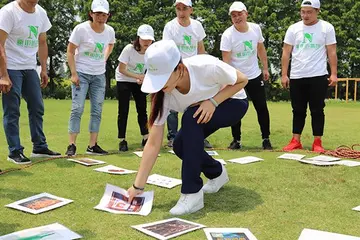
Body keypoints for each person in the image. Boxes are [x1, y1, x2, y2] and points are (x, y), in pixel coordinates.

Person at [127, 40, 249, 215]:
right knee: (180, 144)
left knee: (190, 118)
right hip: (203, 112)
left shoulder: (206, 65)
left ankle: (192, 194)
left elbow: (242, 80)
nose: (160, 85)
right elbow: (153, 144)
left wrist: (213, 102)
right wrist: (137, 186)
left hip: (233, 103)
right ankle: (217, 173)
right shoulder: (162, 95)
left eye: (163, 78)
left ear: (180, 69)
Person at [0, 0, 60, 164]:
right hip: (11, 67)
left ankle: (39, 147)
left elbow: (42, 42)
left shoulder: (41, 13)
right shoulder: (8, 12)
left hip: (29, 67)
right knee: (12, 110)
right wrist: (3, 75)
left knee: (37, 106)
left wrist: (43, 68)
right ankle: (14, 151)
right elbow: (0, 44)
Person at [281, 0, 337, 152]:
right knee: (297, 110)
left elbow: (331, 51)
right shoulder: (293, 29)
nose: (305, 15)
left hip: (318, 75)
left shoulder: (327, 28)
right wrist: (284, 74)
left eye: (309, 12)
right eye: (303, 11)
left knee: (317, 110)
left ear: (317, 11)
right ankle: (295, 140)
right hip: (297, 75)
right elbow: (286, 52)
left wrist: (333, 73)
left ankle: (317, 142)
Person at [65, 0, 115, 156]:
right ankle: (71, 144)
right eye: (97, 14)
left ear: (108, 15)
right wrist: (73, 73)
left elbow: (111, 45)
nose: (100, 17)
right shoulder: (81, 29)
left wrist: (104, 58)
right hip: (82, 73)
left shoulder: (109, 31)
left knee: (97, 110)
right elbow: (70, 51)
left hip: (99, 75)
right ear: (91, 14)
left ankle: (92, 145)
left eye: (104, 14)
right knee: (77, 108)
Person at [221, 1, 272, 150]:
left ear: (246, 14)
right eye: (234, 16)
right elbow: (226, 60)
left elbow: (261, 49)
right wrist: (229, 79)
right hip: (237, 78)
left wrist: (265, 68)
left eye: (239, 14)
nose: (237, 18)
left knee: (262, 107)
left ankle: (266, 139)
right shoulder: (228, 35)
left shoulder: (255, 29)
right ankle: (236, 140)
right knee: (235, 109)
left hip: (254, 75)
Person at [162, 0, 212, 148]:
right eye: (178, 9)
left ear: (191, 10)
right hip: (176, 69)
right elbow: (167, 50)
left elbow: (200, 47)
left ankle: (199, 136)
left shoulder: (197, 26)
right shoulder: (170, 27)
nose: (181, 12)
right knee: (173, 105)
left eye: (184, 9)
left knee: (197, 103)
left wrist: (204, 66)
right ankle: (173, 136)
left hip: (194, 71)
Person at [116, 25, 154, 152]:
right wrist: (137, 76)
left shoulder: (152, 52)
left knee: (142, 109)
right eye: (144, 39)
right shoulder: (129, 49)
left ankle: (145, 137)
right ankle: (122, 140)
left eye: (149, 40)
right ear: (138, 38)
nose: (146, 42)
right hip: (124, 79)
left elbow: (151, 69)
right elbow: (122, 69)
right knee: (123, 110)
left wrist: (143, 79)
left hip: (139, 81)